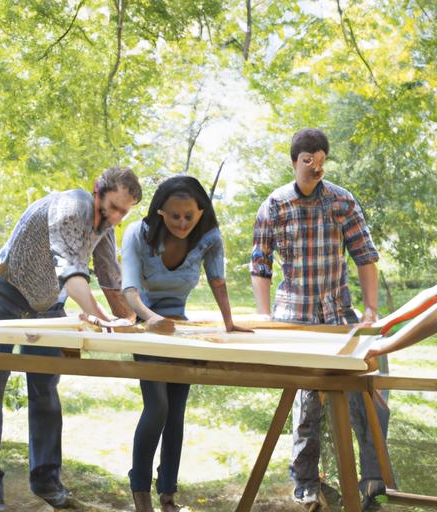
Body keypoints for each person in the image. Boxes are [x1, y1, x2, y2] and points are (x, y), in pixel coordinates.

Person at [0, 167, 142, 512]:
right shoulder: (71, 207)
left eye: (124, 211)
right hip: (7, 293)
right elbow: (71, 270)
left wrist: (132, 320)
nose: (115, 217)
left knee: (45, 390)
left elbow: (109, 277)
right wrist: (102, 319)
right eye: (112, 207)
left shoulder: (105, 225)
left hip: (49, 305)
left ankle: (47, 482)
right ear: (96, 192)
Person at [250, 128, 390, 510]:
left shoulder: (341, 201)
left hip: (338, 315)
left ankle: (373, 483)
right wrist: (264, 316)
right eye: (307, 160)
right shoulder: (276, 204)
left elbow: (365, 255)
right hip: (294, 319)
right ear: (295, 161)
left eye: (321, 159)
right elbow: (260, 264)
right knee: (308, 404)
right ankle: (307, 484)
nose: (315, 167)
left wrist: (372, 310)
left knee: (371, 392)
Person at [121, 175, 250, 512]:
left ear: (200, 212)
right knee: (158, 406)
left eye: (189, 216)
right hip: (146, 325)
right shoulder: (138, 233)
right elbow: (130, 289)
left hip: (179, 326)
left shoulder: (209, 238)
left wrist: (230, 323)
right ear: (161, 212)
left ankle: (168, 495)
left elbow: (218, 281)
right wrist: (149, 318)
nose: (181, 223)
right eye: (174, 216)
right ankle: (140, 493)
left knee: (176, 411)